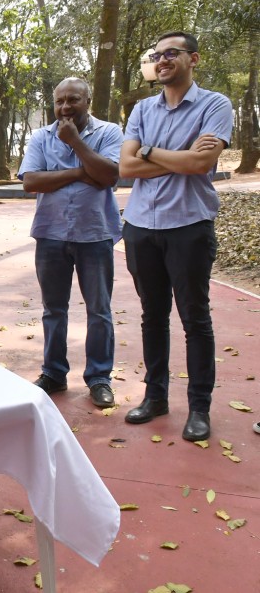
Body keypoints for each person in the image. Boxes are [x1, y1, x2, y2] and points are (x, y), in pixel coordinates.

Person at [119, 31, 234, 441]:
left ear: (193, 59)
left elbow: (202, 163)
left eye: (172, 53)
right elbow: (126, 169)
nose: (162, 60)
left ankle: (199, 407)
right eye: (157, 55)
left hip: (188, 226)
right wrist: (181, 158)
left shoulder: (215, 104)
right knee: (153, 316)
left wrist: (149, 152)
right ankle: (156, 397)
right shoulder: (142, 109)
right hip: (140, 227)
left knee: (195, 318)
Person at [19, 78, 122, 408]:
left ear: (87, 101)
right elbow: (31, 181)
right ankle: (53, 373)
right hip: (50, 233)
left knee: (99, 310)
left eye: (73, 100)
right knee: (54, 309)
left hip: (95, 234)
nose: (65, 107)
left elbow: (109, 176)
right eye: (59, 101)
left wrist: (75, 143)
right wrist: (80, 173)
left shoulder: (109, 132)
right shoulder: (41, 136)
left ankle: (99, 377)